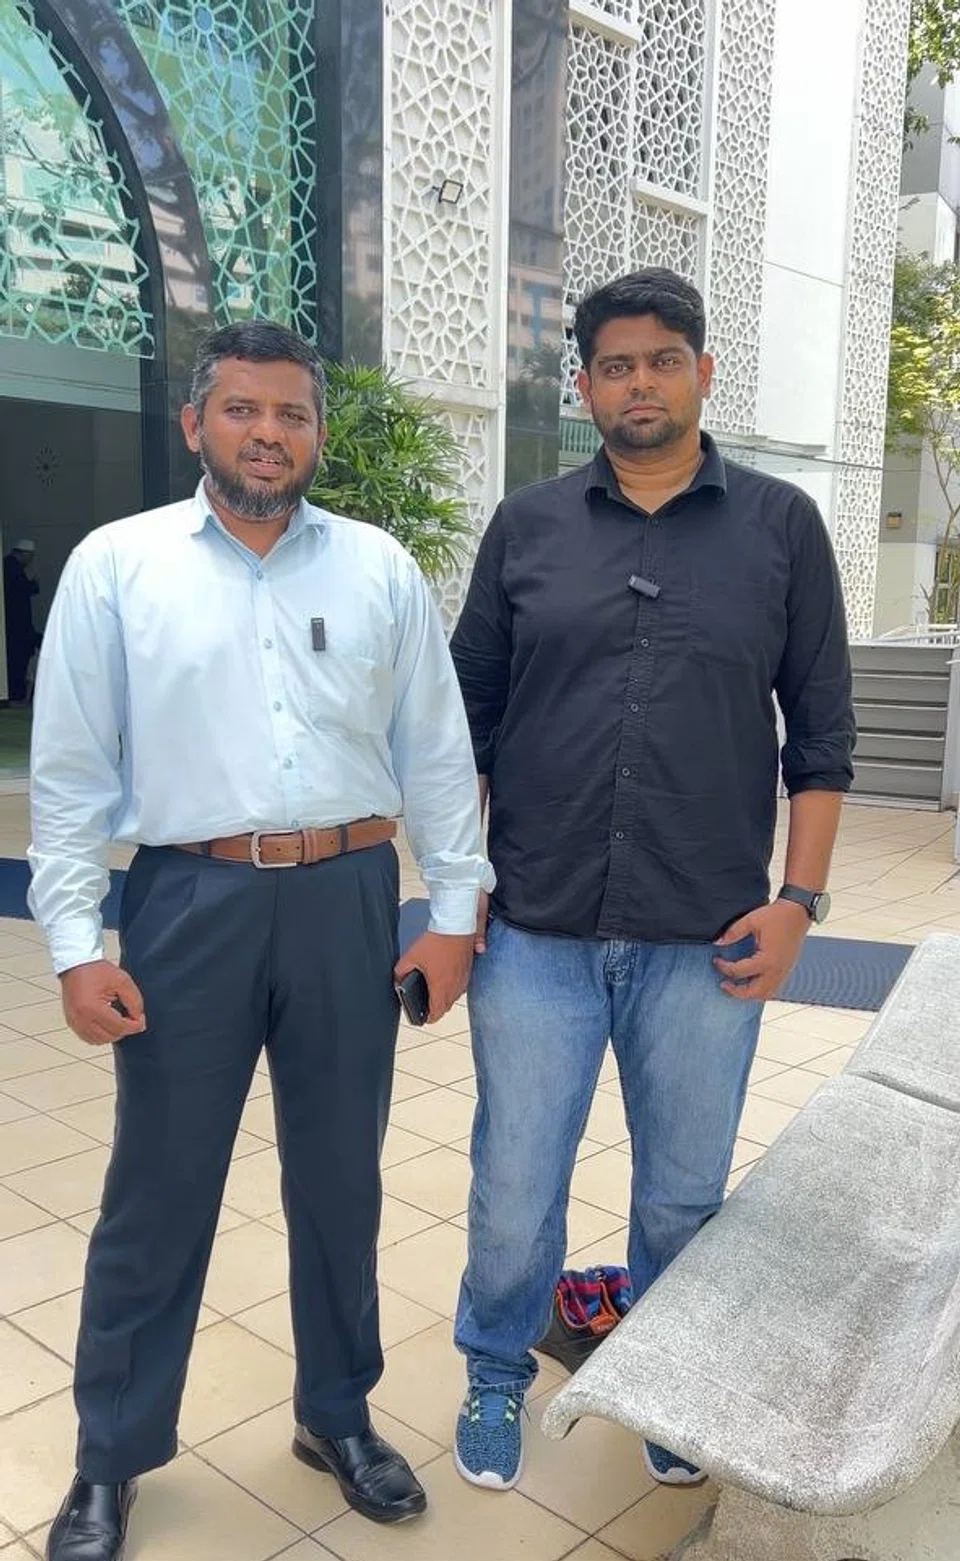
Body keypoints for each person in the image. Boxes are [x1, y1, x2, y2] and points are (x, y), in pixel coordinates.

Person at [29, 321, 492, 1561]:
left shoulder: (379, 569)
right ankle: (111, 1455)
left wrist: (455, 916)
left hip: (350, 896)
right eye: (242, 410)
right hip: (190, 901)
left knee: (341, 1180)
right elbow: (70, 775)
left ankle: (335, 1414)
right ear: (196, 424)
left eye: (291, 414)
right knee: (159, 1188)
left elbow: (436, 751)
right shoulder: (118, 566)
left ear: (317, 435)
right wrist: (76, 944)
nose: (267, 434)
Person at [449, 268, 855, 1491]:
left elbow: (823, 736)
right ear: (584, 387)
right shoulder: (527, 527)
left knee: (682, 1193)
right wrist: (460, 889)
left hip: (708, 936)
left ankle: (669, 1381)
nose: (640, 384)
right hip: (537, 928)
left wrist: (800, 905)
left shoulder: (782, 527)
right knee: (515, 1180)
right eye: (616, 366)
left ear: (702, 374)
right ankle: (497, 1365)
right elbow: (465, 720)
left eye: (662, 361)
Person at [3, 537, 40, 702]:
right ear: (24, 554)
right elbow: (22, 591)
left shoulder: (7, 566)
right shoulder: (15, 570)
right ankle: (16, 694)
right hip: (17, 626)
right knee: (17, 661)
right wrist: (33, 584)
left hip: (12, 625)